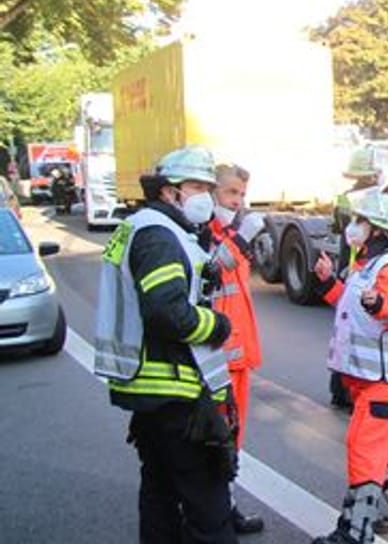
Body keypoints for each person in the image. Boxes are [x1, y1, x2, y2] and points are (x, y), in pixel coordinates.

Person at [92, 145, 238, 543]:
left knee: (159, 494)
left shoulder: (144, 227)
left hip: (149, 389)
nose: (205, 196)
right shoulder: (159, 235)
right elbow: (166, 312)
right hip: (174, 391)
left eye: (209, 187)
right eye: (197, 186)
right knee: (209, 507)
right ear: (169, 191)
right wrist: (217, 325)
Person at [311, 189, 388, 543]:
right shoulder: (367, 265)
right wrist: (328, 283)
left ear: (378, 229)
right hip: (372, 376)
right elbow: (353, 312)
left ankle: (354, 531)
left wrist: (380, 304)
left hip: (386, 378)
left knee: (364, 447)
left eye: (360, 220)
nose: (353, 226)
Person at [206, 163, 268, 535]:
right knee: (214, 441)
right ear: (212, 193)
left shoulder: (229, 232)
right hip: (214, 359)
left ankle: (225, 506)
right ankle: (210, 512)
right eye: (231, 193)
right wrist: (241, 239)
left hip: (236, 357)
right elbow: (210, 270)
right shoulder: (203, 233)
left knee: (232, 439)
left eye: (242, 195)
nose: (238, 201)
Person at [328, 146, 388, 411]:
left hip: (351, 271)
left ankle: (340, 390)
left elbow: (338, 229)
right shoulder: (374, 201)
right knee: (359, 335)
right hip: (362, 272)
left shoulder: (345, 199)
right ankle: (348, 390)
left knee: (346, 334)